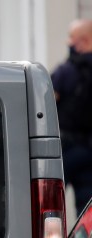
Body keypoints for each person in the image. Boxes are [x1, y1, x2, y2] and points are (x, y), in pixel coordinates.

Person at [52, 19, 92, 214]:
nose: (68, 43)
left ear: (82, 40)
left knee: (51, 204)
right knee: (87, 212)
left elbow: (45, 104)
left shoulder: (65, 72)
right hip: (89, 149)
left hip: (65, 149)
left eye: (71, 38)